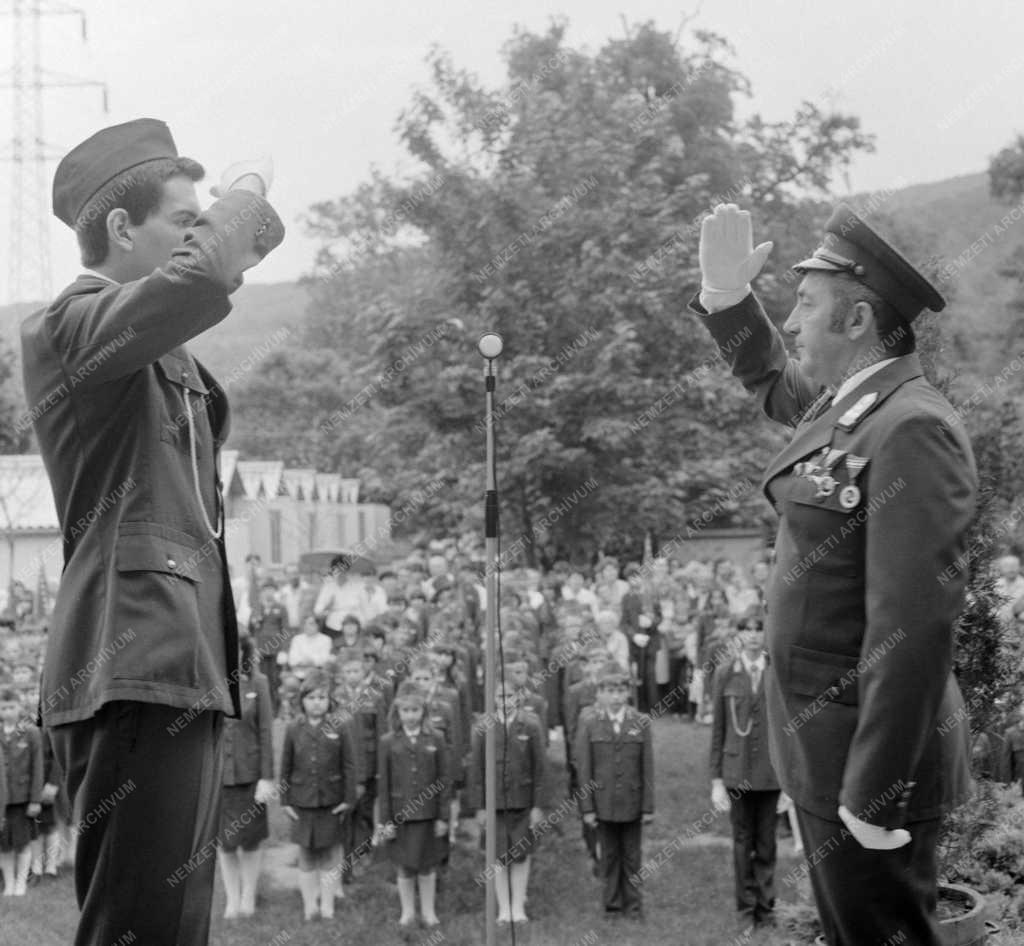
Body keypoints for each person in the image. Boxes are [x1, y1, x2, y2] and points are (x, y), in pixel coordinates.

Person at [21, 118, 283, 944]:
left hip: (174, 658)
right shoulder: (68, 329)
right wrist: (247, 190)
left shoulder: (145, 345)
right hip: (131, 659)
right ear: (122, 229)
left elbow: (205, 273)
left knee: (171, 928)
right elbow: (206, 270)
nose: (197, 230)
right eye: (181, 216)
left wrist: (244, 218)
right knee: (140, 930)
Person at [694, 202, 976, 946]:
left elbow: (911, 627)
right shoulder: (850, 406)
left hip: (865, 766)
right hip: (828, 753)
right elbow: (771, 379)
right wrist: (728, 301)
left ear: (856, 321)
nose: (790, 323)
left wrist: (871, 792)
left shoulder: (910, 426)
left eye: (806, 305)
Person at [709, 620, 781, 931]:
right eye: (747, 630)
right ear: (740, 635)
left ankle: (766, 909)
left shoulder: (776, 671)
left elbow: (790, 728)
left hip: (770, 774)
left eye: (759, 629)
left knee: (766, 843)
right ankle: (745, 909)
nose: (753, 636)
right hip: (737, 773)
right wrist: (715, 780)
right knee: (742, 841)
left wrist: (790, 781)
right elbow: (719, 730)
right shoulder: (726, 672)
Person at [575, 663, 654, 920]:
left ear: (628, 694)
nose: (616, 697)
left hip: (632, 802)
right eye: (610, 691)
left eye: (621, 691)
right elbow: (584, 769)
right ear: (600, 694)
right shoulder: (590, 723)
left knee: (632, 856)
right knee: (608, 856)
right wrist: (587, 807)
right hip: (603, 802)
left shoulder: (640, 722)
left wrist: (647, 807)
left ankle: (633, 906)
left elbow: (647, 768)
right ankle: (612, 906)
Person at [280, 670, 358, 921]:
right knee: (306, 854)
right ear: (302, 700)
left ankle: (327, 905)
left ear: (330, 700)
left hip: (331, 802)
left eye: (322, 697)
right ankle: (309, 905)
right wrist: (285, 800)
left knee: (331, 854)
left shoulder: (341, 725)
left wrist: (348, 799)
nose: (317, 702)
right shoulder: (293, 728)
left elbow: (349, 765)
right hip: (302, 802)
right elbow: (285, 766)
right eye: (311, 697)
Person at [469, 681, 545, 924]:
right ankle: (503, 908)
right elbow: (477, 770)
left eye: (510, 695)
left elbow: (539, 768)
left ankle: (518, 906)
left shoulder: (531, 724)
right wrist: (480, 806)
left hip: (522, 801)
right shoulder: (483, 726)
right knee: (497, 855)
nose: (505, 700)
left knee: (521, 854)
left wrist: (537, 805)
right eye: (500, 695)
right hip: (494, 803)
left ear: (518, 696)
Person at [377, 681, 451, 929]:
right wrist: (386, 821)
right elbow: (384, 785)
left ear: (424, 712)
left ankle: (429, 912)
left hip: (429, 815)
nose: (410, 716)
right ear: (397, 713)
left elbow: (443, 779)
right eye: (405, 711)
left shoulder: (436, 738)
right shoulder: (388, 741)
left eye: (415, 711)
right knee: (405, 866)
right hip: (400, 816)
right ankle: (407, 911)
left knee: (427, 865)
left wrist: (443, 817)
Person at [216, 636, 276, 919]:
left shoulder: (258, 682)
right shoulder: (210, 680)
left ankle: (249, 894)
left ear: (245, 651)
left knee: (251, 840)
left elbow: (266, 731)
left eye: (237, 648)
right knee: (225, 842)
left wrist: (267, 778)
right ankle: (232, 898)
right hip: (219, 776)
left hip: (250, 774)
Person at [1, 688, 41, 896]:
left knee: (22, 842)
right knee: (3, 845)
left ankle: (21, 882)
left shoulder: (31, 732)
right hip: (1, 800)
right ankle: (8, 884)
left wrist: (35, 799)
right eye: (3, 708)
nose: (7, 712)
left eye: (11, 707)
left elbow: (38, 767)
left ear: (19, 707)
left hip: (21, 799)